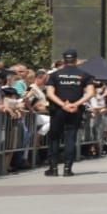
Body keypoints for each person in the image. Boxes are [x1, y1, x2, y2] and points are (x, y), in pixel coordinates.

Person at [43, 49, 95, 177]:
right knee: (70, 138)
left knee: (54, 138)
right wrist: (75, 104)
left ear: (64, 60)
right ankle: (67, 169)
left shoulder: (55, 75)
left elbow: (49, 93)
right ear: (76, 60)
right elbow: (90, 93)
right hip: (74, 110)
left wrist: (62, 105)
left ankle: (53, 168)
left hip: (58, 110)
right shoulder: (85, 75)